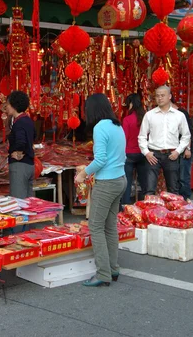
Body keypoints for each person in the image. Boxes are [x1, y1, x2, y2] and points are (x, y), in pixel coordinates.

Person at [75, 94, 126, 287]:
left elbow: (101, 159)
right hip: (120, 179)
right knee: (110, 226)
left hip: (107, 183)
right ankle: (113, 268)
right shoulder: (116, 126)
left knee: (95, 226)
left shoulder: (100, 127)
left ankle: (103, 273)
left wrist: (83, 174)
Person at [138, 86, 191, 195]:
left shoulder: (179, 115)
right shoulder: (149, 115)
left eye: (163, 95)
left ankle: (174, 211)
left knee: (173, 189)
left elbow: (186, 136)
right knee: (149, 189)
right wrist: (146, 153)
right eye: (157, 96)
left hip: (171, 154)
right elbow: (142, 136)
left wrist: (178, 151)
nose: (160, 98)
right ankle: (150, 211)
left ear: (169, 96)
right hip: (153, 155)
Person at [6, 91, 35, 199]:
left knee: (18, 201)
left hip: (20, 166)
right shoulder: (28, 120)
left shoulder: (19, 123)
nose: (7, 107)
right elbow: (34, 136)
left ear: (14, 105)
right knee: (28, 201)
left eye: (8, 104)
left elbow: (21, 142)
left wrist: (18, 152)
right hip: (29, 164)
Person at [121, 94, 147, 204]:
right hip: (143, 153)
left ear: (131, 104)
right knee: (144, 183)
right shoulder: (145, 118)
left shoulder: (127, 120)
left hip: (129, 154)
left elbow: (124, 139)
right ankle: (145, 205)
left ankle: (125, 206)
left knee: (127, 182)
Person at [171, 104, 193, 200]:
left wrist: (187, 148)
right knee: (177, 175)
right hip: (178, 148)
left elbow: (188, 132)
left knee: (183, 175)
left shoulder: (182, 113)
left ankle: (186, 199)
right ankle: (179, 199)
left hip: (186, 148)